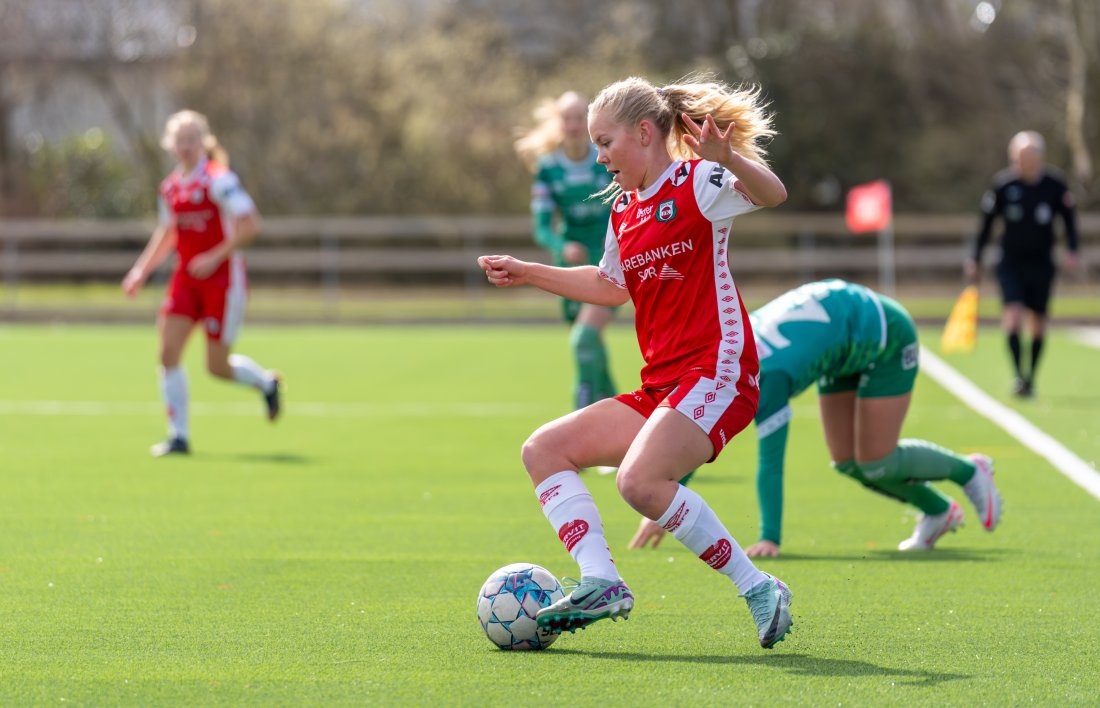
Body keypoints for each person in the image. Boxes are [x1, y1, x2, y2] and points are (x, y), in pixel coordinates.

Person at [479, 75, 794, 649]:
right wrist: (528, 272)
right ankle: (602, 581)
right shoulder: (624, 209)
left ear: (644, 133)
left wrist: (732, 159)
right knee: (544, 449)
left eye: (605, 143)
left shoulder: (699, 181)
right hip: (664, 386)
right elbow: (608, 285)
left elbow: (774, 194)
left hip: (719, 370)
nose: (599, 158)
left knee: (639, 482)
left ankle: (758, 587)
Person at [627, 280, 1004, 555]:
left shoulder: (765, 376)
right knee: (847, 463)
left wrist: (769, 537)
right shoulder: (728, 358)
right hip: (842, 345)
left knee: (875, 461)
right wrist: (667, 495)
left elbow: (770, 461)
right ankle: (939, 512)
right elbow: (695, 430)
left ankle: (969, 471)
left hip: (885, 336)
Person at [122, 109, 281, 457]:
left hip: (222, 282)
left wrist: (215, 256)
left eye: (192, 139)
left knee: (217, 367)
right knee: (167, 353)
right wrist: (140, 271)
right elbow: (168, 234)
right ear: (170, 145)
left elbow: (251, 224)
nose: (186, 146)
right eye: (180, 140)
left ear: (203, 142)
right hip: (186, 280)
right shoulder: (170, 187)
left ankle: (266, 383)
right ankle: (178, 436)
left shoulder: (219, 180)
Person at [515, 92, 617, 410]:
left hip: (610, 265)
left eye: (578, 117)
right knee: (589, 346)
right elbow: (542, 227)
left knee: (584, 339)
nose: (573, 125)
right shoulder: (548, 169)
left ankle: (581, 425)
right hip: (569, 269)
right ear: (558, 123)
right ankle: (621, 430)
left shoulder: (606, 159)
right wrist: (562, 246)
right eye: (567, 118)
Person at [965, 130, 1081, 398]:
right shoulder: (1003, 186)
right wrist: (976, 257)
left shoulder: (1055, 185)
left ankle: (1031, 376)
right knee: (1014, 316)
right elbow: (986, 224)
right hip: (1010, 262)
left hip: (1042, 262)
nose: (1021, 161)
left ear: (1038, 157)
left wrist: (1072, 249)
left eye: (1027, 156)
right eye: (1017, 157)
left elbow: (1069, 220)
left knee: (1038, 322)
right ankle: (1018, 375)